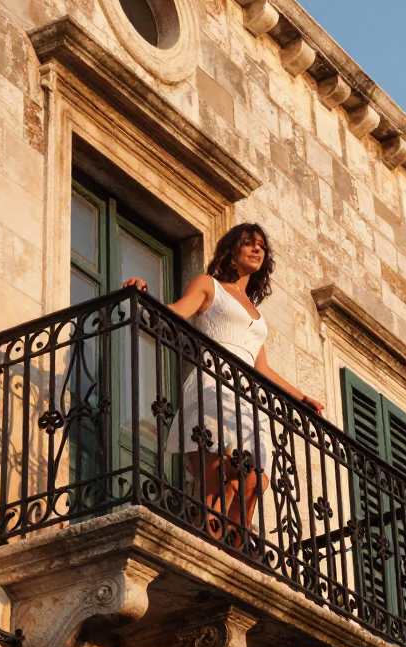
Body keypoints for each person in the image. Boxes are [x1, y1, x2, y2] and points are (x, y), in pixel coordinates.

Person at [123, 223, 323, 546]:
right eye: (248, 243)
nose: (256, 249)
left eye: (261, 246)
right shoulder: (208, 286)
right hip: (212, 386)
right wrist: (144, 297)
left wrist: (301, 398)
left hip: (248, 401)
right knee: (222, 476)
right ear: (231, 251)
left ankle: (234, 552)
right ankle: (204, 544)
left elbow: (263, 368)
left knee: (254, 482)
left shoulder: (256, 315)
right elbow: (175, 314)